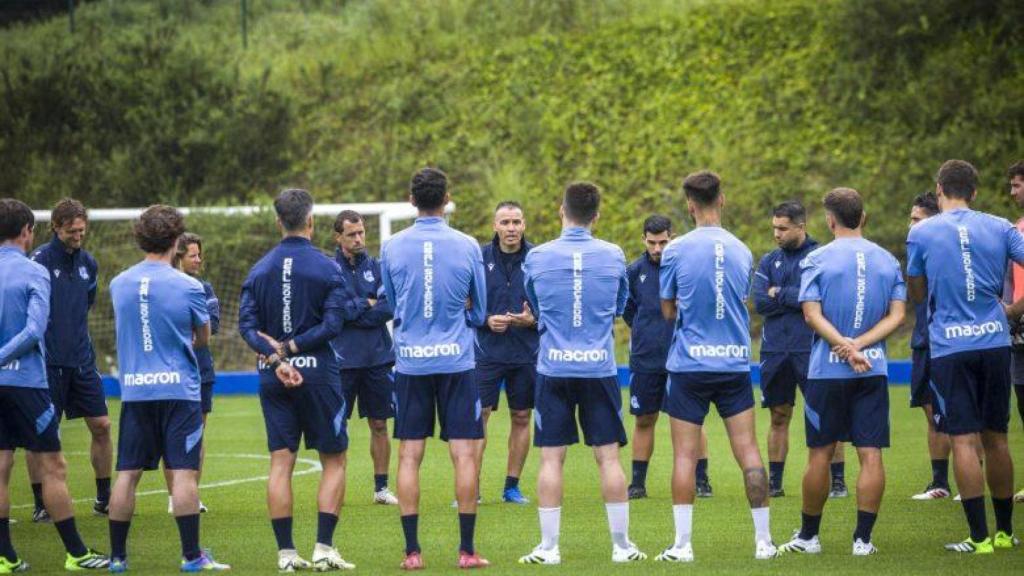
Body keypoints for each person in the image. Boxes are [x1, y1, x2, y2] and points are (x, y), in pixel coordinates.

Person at [518, 181, 646, 566]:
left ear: (562, 210)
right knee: (608, 458)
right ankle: (622, 547)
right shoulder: (614, 255)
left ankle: (548, 548)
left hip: (554, 367)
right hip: (599, 369)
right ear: (597, 215)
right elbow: (621, 305)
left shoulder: (537, 257)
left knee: (551, 460)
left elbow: (535, 305)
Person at [655, 171, 775, 563]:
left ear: (689, 204)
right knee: (749, 451)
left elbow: (668, 309)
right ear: (721, 199)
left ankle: (682, 545)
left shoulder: (674, 250)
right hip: (735, 364)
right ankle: (764, 541)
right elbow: (741, 300)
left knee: (685, 457)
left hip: (690, 365)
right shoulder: (742, 249)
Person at [778, 187, 906, 557]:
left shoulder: (816, 259)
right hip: (873, 370)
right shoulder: (887, 260)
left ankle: (808, 537)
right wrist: (861, 346)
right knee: (871, 454)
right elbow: (897, 316)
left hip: (826, 372)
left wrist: (846, 347)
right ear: (863, 218)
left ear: (830, 221)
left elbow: (810, 314)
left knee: (820, 453)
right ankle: (863, 541)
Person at [907, 160, 1023, 553]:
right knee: (997, 440)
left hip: (950, 347)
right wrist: (1014, 309)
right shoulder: (1001, 226)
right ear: (974, 192)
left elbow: (917, 289)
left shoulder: (922, 232)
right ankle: (1006, 533)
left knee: (962, 440)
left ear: (939, 190)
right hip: (994, 341)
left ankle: (979, 538)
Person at [107, 205, 228, 572]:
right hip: (178, 391)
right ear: (176, 241)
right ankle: (192, 557)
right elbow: (203, 338)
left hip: (136, 392)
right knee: (184, 473)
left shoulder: (118, 283)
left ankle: (117, 558)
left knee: (127, 474)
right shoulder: (190, 286)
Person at [239, 189, 354, 571]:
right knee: (334, 459)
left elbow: (247, 327)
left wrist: (276, 356)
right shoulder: (327, 268)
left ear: (278, 222)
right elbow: (334, 324)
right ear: (311, 221)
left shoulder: (259, 269)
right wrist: (295, 345)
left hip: (273, 376)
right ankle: (323, 548)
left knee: (280, 462)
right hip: (319, 374)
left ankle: (286, 554)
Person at [380, 168, 489, 570]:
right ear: (447, 200)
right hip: (457, 361)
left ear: (411, 200)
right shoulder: (467, 245)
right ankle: (467, 551)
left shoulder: (391, 247)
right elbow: (480, 309)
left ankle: (412, 553)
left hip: (410, 363)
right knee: (464, 455)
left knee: (409, 455)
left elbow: (391, 303)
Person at [0, 198, 109, 573]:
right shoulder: (35, 270)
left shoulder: (78, 265)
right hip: (27, 381)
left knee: (0, 465)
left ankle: (4, 556)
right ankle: (76, 553)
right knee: (53, 464)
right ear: (29, 231)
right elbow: (33, 330)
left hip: (28, 375)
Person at [26, 198, 112, 521]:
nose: (78, 235)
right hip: (47, 364)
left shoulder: (89, 263)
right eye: (72, 231)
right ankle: (40, 504)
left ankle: (104, 497)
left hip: (82, 362)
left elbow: (85, 304)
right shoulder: (39, 261)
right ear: (56, 228)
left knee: (102, 426)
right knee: (42, 435)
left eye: (82, 230)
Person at [753, 201, 840, 498]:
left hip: (811, 347)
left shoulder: (820, 256)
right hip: (775, 350)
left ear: (800, 227)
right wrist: (797, 297)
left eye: (782, 228)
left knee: (824, 414)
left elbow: (819, 300)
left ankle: (837, 481)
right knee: (779, 415)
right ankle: (775, 483)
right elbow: (760, 302)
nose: (776, 234)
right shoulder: (768, 261)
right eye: (774, 228)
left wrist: (781, 293)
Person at [624, 215, 713, 500]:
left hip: (685, 358)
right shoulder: (633, 271)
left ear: (672, 238)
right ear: (644, 240)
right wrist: (648, 333)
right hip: (646, 358)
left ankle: (702, 480)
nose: (658, 248)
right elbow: (628, 311)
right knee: (644, 419)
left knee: (692, 421)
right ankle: (637, 483)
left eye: (663, 242)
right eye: (652, 243)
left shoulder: (687, 268)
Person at [331, 210, 398, 506]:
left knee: (380, 424)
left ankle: (381, 488)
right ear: (338, 237)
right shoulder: (328, 270)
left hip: (378, 358)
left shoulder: (379, 267)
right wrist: (365, 304)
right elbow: (334, 311)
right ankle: (337, 485)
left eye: (361, 233)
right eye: (351, 234)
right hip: (342, 360)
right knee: (338, 425)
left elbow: (388, 308)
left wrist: (355, 310)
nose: (358, 238)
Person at [475, 200, 538, 505]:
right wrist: (485, 319)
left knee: (522, 415)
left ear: (524, 225)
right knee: (480, 415)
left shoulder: (539, 258)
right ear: (494, 226)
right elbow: (465, 305)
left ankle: (511, 486)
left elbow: (552, 304)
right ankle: (470, 486)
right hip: (486, 352)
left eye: (516, 222)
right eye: (505, 223)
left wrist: (533, 320)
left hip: (526, 352)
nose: (511, 228)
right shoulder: (478, 257)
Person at [165, 233, 220, 514]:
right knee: (170, 435)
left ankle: (191, 495)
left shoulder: (205, 288)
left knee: (197, 434)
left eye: (200, 254)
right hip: (171, 372)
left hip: (201, 370)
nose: (198, 260)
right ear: (178, 256)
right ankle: (174, 496)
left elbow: (214, 326)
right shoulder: (164, 286)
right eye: (193, 255)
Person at [906, 193, 954, 500]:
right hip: (923, 341)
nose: (911, 225)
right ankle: (939, 482)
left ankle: (970, 482)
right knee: (931, 411)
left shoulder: (948, 253)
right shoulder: (916, 252)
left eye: (917, 220)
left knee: (959, 413)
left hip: (948, 342)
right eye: (910, 219)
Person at [1005, 160, 1024, 504]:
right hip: (1018, 335)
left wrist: (1011, 311)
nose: (1012, 192)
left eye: (1017, 185)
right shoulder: (1016, 228)